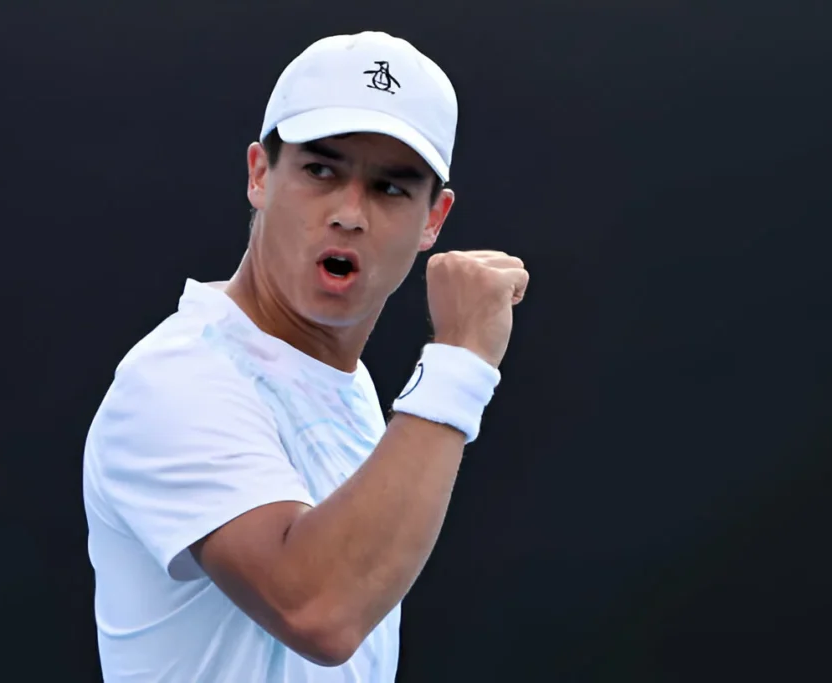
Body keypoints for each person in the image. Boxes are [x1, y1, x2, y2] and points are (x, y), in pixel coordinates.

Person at [82, 30, 529, 682]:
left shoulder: (350, 388)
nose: (350, 213)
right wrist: (459, 361)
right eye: (321, 170)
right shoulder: (175, 379)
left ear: (435, 218)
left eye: (391, 189)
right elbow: (319, 607)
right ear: (260, 174)